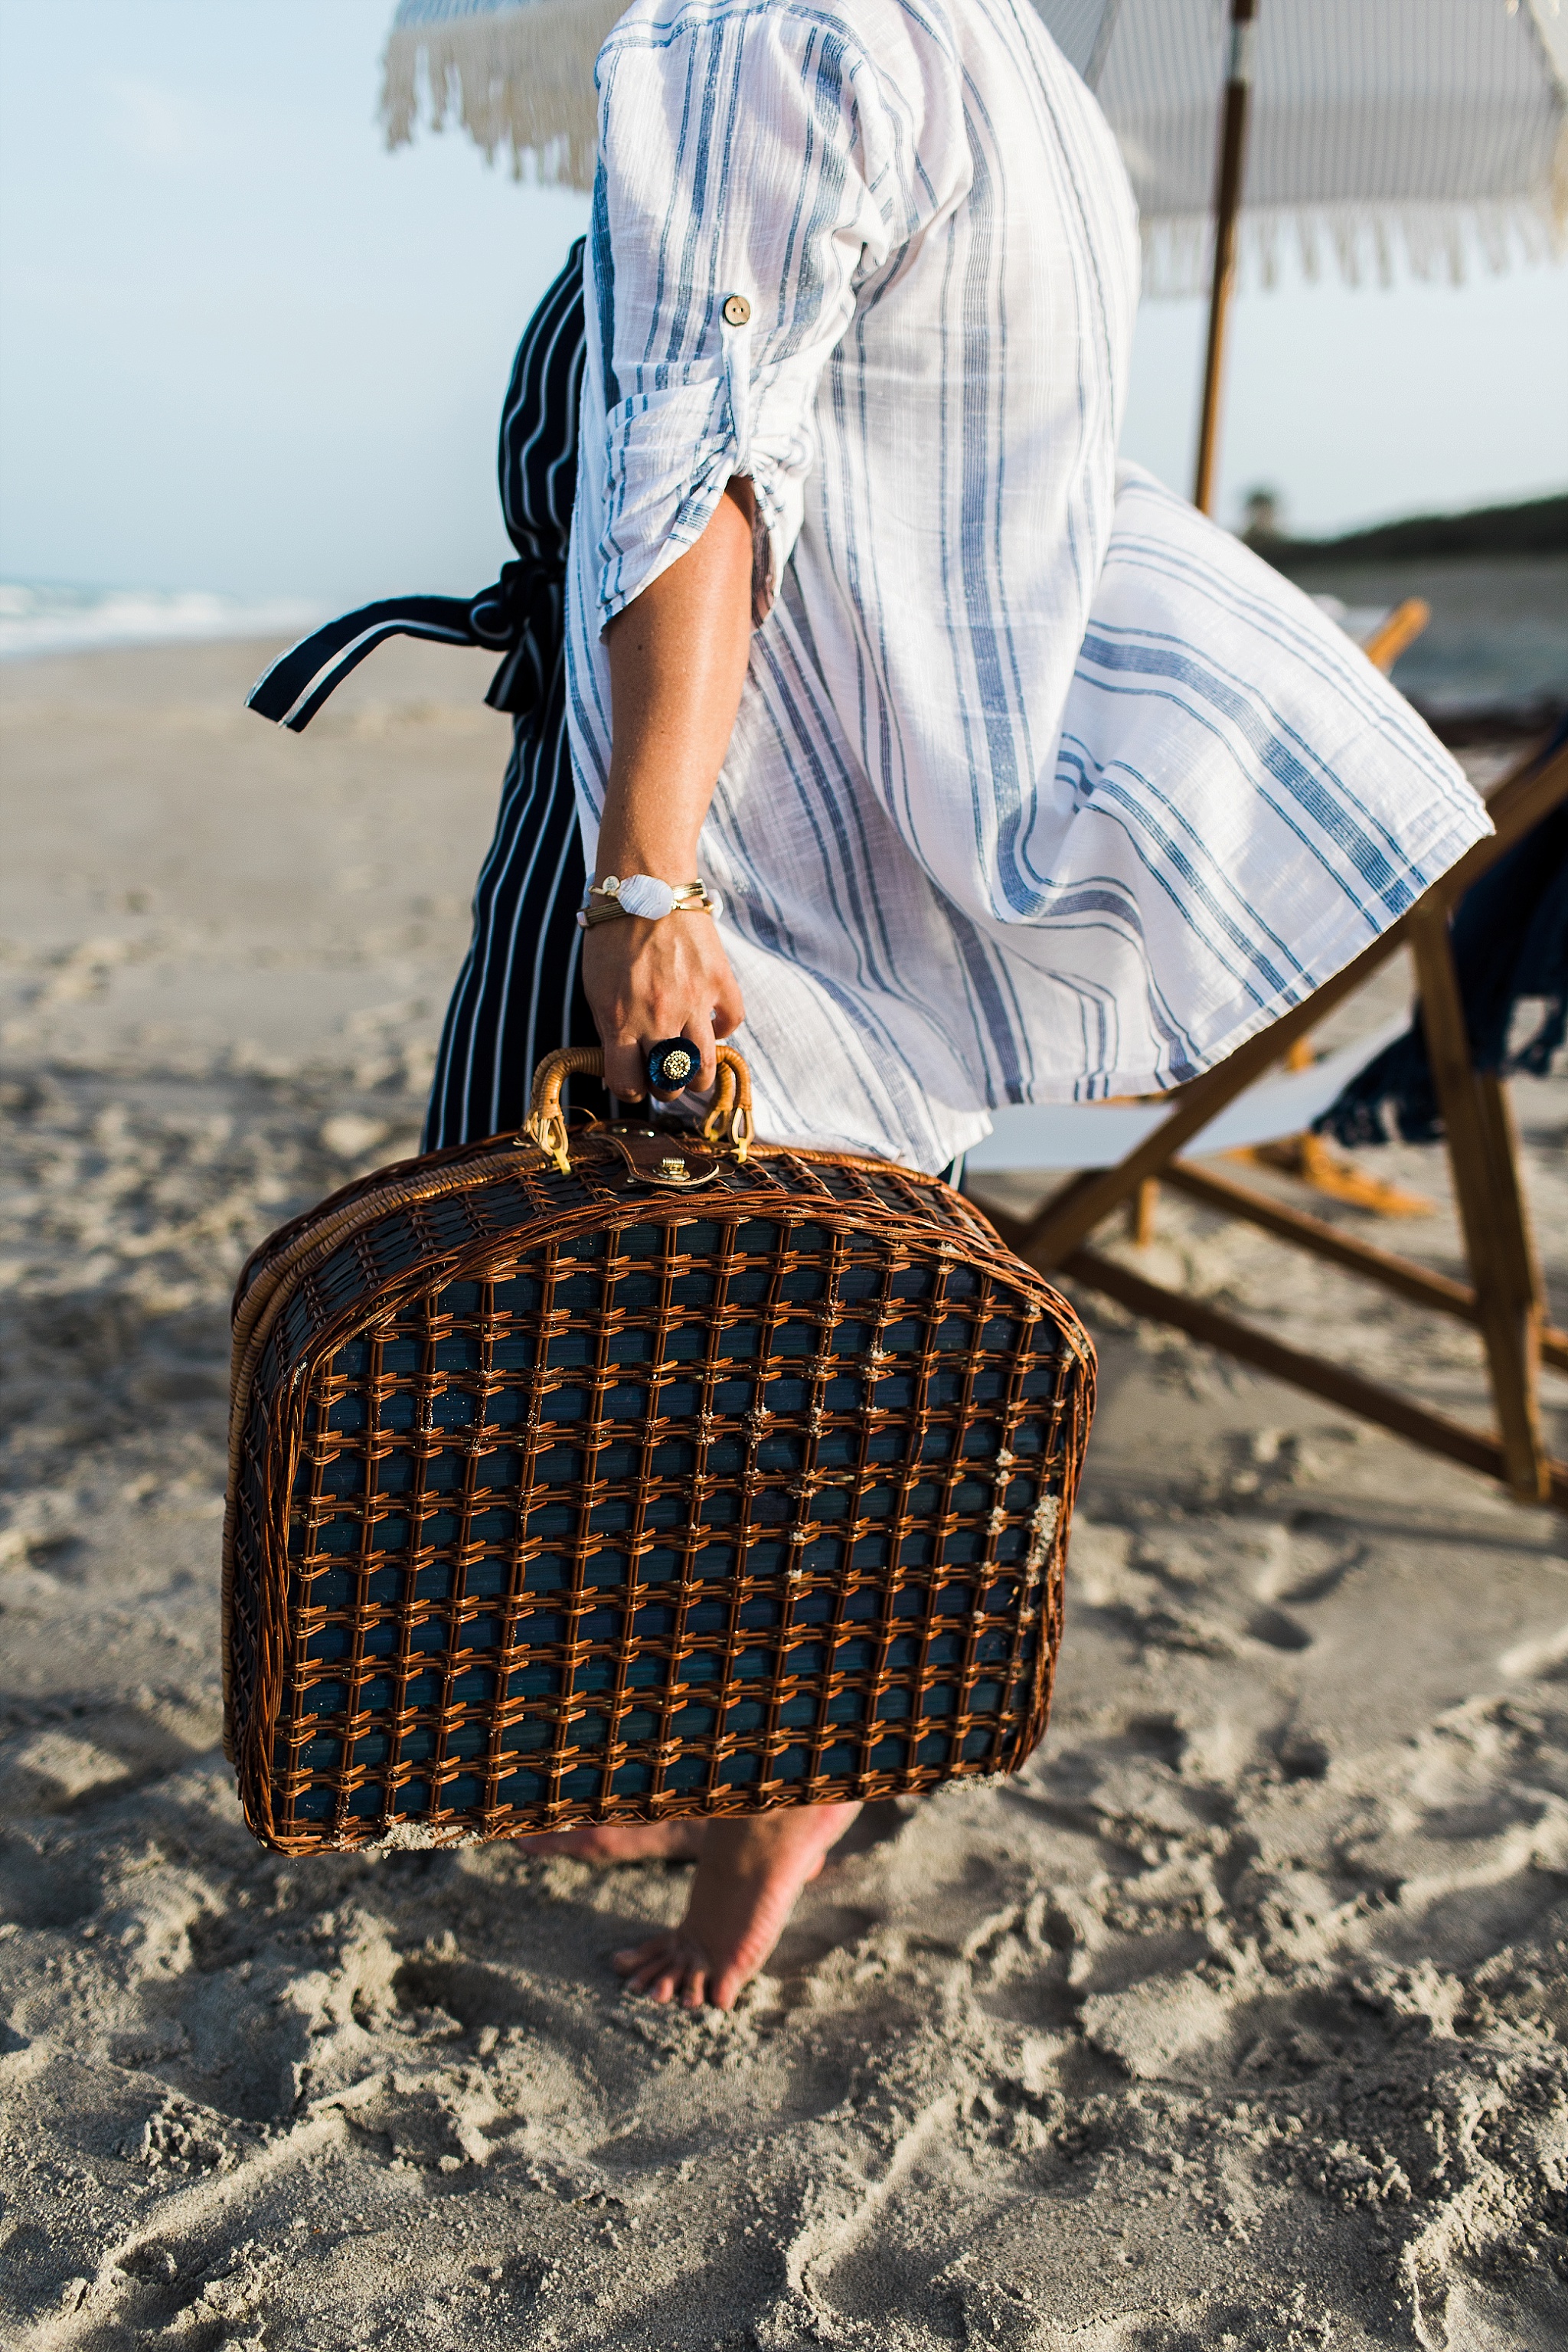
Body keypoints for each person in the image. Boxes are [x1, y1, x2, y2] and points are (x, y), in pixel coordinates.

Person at [421, 0, 1487, 2008]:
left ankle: (729, 1784)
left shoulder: (770, 29)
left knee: (585, 1368)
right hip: (868, 858)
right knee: (768, 1358)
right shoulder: (1018, 74)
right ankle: (754, 1777)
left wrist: (644, 876)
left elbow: (699, 459)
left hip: (725, 843)